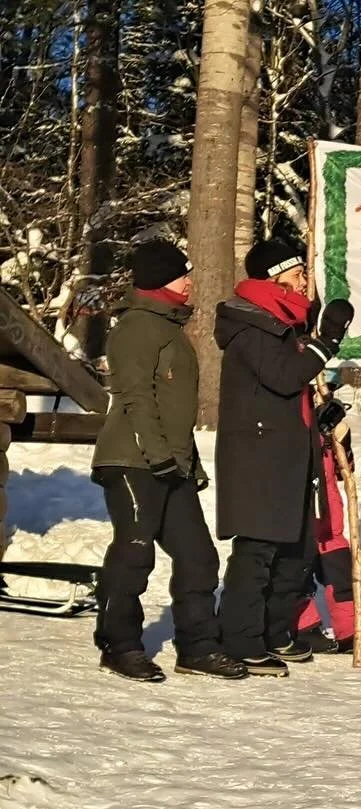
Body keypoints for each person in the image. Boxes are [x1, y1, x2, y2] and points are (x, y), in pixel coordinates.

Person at [90, 240, 247, 682]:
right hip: (132, 460)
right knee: (135, 552)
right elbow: (135, 397)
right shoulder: (137, 327)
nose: (190, 281)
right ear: (161, 281)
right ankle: (119, 646)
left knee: (198, 556)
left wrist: (186, 463)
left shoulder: (168, 327)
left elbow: (173, 408)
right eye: (183, 274)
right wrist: (158, 456)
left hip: (167, 463)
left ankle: (197, 648)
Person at [214, 240, 353, 676]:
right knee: (257, 551)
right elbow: (283, 377)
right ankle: (240, 639)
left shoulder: (284, 325)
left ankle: (276, 631)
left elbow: (299, 388)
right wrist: (325, 342)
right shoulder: (250, 327)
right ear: (275, 279)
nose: (304, 283)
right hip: (258, 459)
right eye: (297, 276)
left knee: (295, 551)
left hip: (291, 456)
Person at [293, 416, 361, 655]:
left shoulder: (329, 426)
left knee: (344, 578)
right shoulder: (293, 421)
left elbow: (344, 469)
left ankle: (352, 631)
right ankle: (305, 628)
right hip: (298, 525)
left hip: (330, 526)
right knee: (297, 580)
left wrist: (341, 443)